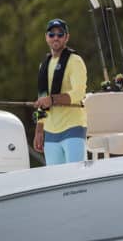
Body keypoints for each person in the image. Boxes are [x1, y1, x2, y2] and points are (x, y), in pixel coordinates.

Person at [32, 18, 88, 165]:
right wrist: (39, 130)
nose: (55, 37)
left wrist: (52, 100)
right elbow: (42, 98)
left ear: (66, 37)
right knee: (55, 179)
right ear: (46, 37)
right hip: (50, 134)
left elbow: (78, 93)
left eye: (60, 34)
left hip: (73, 128)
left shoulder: (75, 61)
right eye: (52, 34)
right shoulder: (43, 65)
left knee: (76, 177)